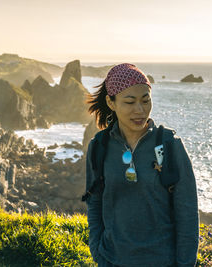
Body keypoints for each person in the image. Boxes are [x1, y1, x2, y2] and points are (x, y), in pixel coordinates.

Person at [84, 63, 199, 267]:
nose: (140, 110)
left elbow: (187, 213)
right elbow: (95, 203)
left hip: (163, 262)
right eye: (129, 102)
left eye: (145, 100)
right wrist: (98, 252)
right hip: (112, 260)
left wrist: (185, 264)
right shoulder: (99, 147)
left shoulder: (169, 145)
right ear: (111, 103)